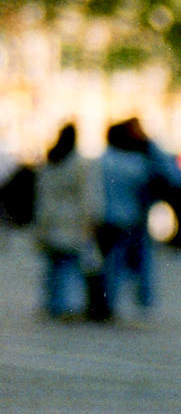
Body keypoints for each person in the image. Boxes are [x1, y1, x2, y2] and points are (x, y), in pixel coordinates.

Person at [97, 117, 181, 318]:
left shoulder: (105, 158)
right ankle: (140, 302)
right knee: (137, 262)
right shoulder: (137, 162)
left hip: (110, 218)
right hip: (131, 218)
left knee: (113, 263)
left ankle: (111, 303)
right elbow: (174, 177)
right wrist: (152, 145)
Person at [33, 122, 100, 320]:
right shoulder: (79, 163)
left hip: (51, 219)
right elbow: (88, 196)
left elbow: (42, 192)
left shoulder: (51, 160)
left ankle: (52, 303)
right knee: (70, 266)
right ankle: (68, 305)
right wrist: (91, 219)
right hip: (72, 221)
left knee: (53, 266)